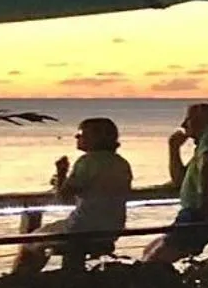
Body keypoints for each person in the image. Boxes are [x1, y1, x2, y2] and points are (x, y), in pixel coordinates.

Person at [14, 117, 132, 274]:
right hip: (112, 228)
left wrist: (61, 172)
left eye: (81, 133)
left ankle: (21, 279)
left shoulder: (86, 161)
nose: (77, 137)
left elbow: (64, 197)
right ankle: (71, 277)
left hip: (81, 228)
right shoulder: (121, 163)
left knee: (31, 240)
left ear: (96, 137)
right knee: (52, 237)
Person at [142, 104, 208, 264]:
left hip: (205, 216)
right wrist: (174, 149)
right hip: (203, 214)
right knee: (150, 250)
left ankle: (159, 280)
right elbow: (179, 180)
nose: (183, 125)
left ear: (201, 120)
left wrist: (203, 206)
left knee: (155, 258)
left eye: (187, 119)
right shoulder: (207, 143)